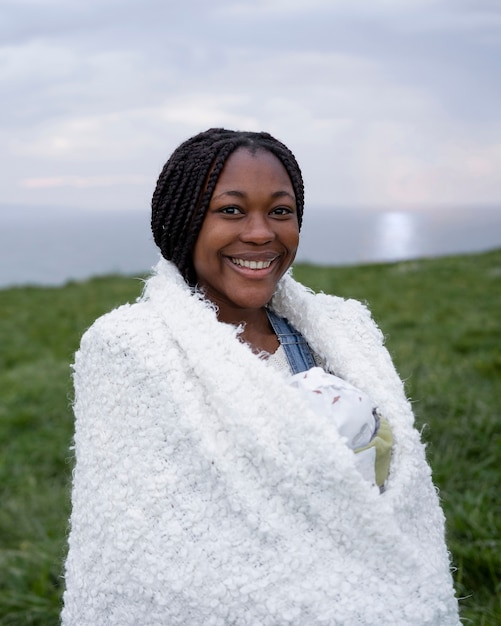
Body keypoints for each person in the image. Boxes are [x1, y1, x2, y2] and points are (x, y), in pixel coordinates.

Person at [62, 128, 460, 625]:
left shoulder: (341, 330)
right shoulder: (130, 347)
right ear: (183, 222)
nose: (260, 233)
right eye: (230, 210)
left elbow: (401, 492)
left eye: (280, 211)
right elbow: (142, 550)